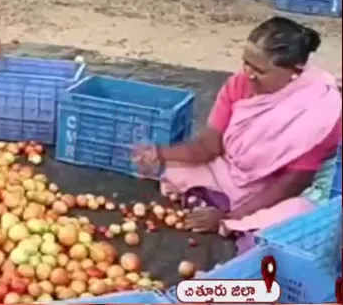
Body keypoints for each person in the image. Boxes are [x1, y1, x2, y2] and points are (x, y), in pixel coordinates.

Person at [133, 16, 341, 240]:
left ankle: (234, 216)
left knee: (296, 216)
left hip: (284, 190)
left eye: (259, 70)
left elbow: (291, 184)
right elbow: (209, 146)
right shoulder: (239, 84)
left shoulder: (319, 111)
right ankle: (225, 206)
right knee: (177, 169)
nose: (248, 74)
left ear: (296, 69)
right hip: (236, 173)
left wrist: (228, 217)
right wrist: (160, 153)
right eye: (245, 63)